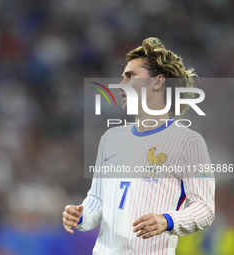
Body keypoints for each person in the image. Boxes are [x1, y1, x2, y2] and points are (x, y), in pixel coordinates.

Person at [62, 37, 215, 254]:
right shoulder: (111, 138)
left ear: (158, 81)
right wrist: (81, 215)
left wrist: (167, 220)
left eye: (130, 76)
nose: (121, 84)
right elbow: (97, 199)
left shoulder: (189, 142)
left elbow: (205, 208)